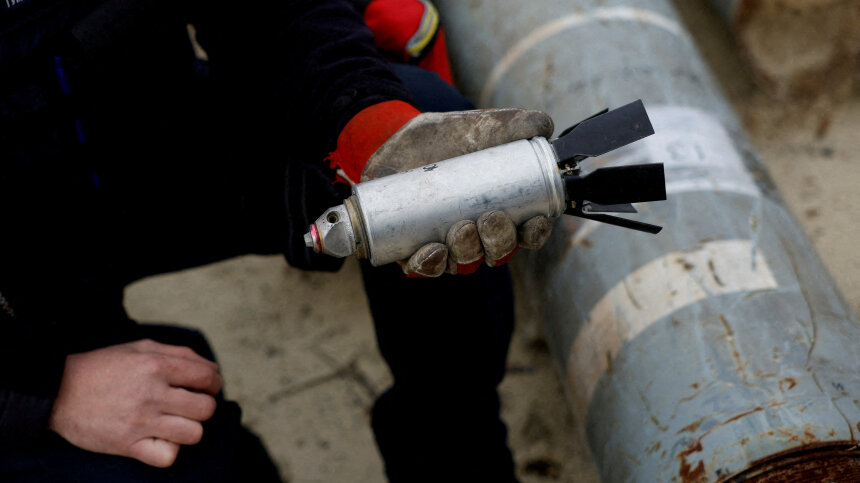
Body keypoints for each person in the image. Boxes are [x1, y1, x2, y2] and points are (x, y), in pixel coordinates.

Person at [0, 0, 553, 481]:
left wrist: (363, 116)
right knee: (187, 450)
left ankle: (454, 451)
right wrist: (44, 390)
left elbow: (273, 14)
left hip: (145, 149)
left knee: (437, 174)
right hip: (14, 293)